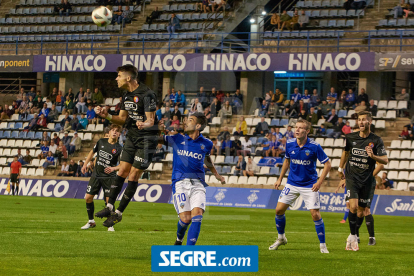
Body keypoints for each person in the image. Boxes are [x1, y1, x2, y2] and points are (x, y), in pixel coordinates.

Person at [94, 65, 159, 228]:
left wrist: (144, 124)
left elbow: (151, 120)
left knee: (133, 175)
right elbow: (122, 119)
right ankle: (109, 207)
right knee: (122, 170)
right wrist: (107, 116)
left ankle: (119, 213)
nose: (116, 78)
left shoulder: (147, 94)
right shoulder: (126, 95)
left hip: (147, 139)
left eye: (119, 75)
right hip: (132, 137)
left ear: (128, 78)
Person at [162, 112, 225, 245]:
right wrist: (159, 128)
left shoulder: (207, 143)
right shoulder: (177, 138)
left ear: (198, 125)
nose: (186, 122)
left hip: (198, 184)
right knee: (185, 219)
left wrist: (216, 175)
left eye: (190, 120)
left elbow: (207, 159)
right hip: (180, 183)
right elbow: (158, 139)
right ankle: (179, 239)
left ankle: (189, 252)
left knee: (197, 216)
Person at [269, 119, 331, 253]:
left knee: (315, 214)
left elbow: (328, 164)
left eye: (301, 128)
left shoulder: (315, 146)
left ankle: (323, 245)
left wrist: (319, 182)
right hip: (292, 183)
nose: (297, 130)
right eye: (296, 127)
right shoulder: (290, 144)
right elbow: (287, 161)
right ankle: (281, 238)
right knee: (278, 210)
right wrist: (280, 179)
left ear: (307, 131)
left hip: (309, 185)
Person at [336, 111, 388, 250]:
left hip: (366, 181)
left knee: (361, 211)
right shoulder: (350, 137)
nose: (361, 122)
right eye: (359, 119)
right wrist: (340, 169)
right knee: (352, 207)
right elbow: (346, 153)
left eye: (364, 119)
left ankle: (355, 235)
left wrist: (373, 156)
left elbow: (385, 161)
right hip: (352, 178)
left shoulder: (376, 140)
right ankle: (353, 236)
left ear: (369, 122)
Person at [81, 124, 122, 232]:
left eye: (116, 131)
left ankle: (110, 224)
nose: (114, 132)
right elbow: (92, 152)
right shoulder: (101, 142)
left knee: (109, 202)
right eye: (113, 130)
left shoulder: (119, 148)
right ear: (109, 132)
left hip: (109, 177)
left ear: (119, 134)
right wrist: (85, 164)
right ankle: (91, 221)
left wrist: (114, 169)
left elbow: (122, 165)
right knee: (88, 198)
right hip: (96, 175)